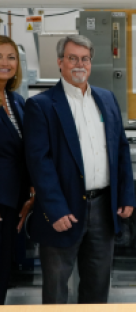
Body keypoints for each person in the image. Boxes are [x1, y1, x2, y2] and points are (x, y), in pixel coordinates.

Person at [23, 34, 136, 304]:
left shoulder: (106, 99)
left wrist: (126, 195)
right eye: (72, 58)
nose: (79, 64)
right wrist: (56, 209)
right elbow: (40, 163)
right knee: (56, 290)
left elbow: (121, 149)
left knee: (97, 288)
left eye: (85, 59)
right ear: (60, 62)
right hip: (64, 210)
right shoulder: (41, 105)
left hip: (103, 209)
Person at [0, 35, 34, 305]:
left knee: (4, 276)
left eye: (10, 57)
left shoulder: (16, 102)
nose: (5, 63)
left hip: (14, 204)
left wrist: (31, 192)